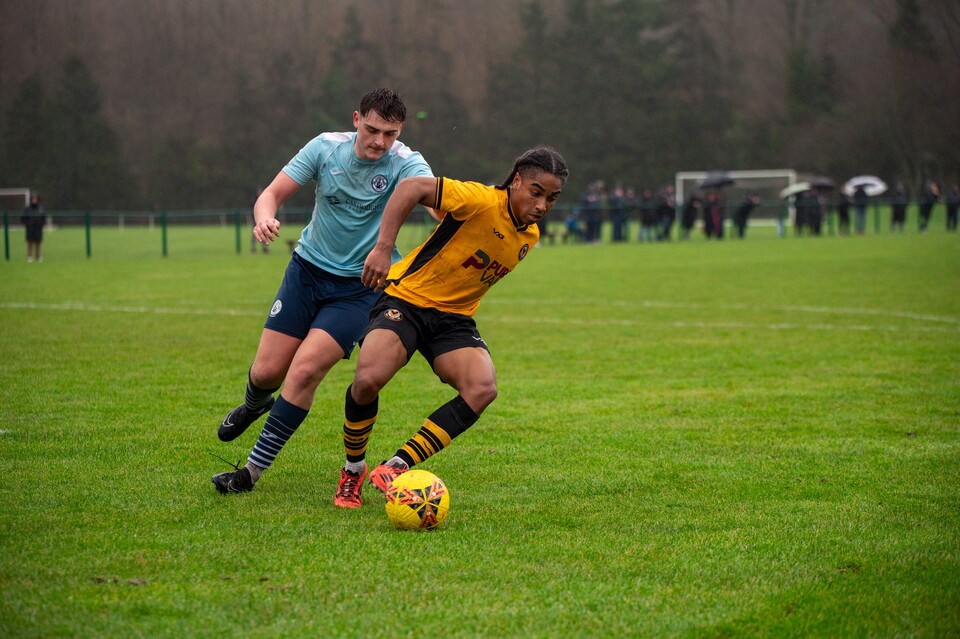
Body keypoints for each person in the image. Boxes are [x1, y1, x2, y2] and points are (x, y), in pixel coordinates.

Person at [211, 88, 434, 494]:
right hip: (306, 273)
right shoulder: (325, 149)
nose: (379, 142)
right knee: (266, 373)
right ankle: (255, 403)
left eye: (390, 134)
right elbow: (272, 194)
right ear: (355, 119)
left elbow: (443, 205)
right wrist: (265, 219)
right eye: (371, 130)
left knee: (305, 371)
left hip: (360, 288)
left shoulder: (408, 163)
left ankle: (250, 473)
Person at [331, 147, 569, 508]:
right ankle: (352, 470)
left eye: (551, 198)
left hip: (453, 319)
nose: (542, 204)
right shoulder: (480, 199)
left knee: (482, 388)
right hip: (406, 300)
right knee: (367, 380)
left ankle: (396, 466)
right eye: (535, 192)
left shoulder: (529, 236)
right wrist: (383, 248)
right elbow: (410, 188)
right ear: (516, 181)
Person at [22, 193, 45, 262]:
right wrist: (28, 225)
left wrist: (41, 224)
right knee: (30, 243)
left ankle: (38, 256)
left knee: (38, 243)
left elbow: (44, 218)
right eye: (33, 199)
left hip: (38, 229)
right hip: (30, 229)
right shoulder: (27, 208)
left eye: (35, 199)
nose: (34, 200)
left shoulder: (40, 208)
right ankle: (29, 257)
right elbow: (23, 218)